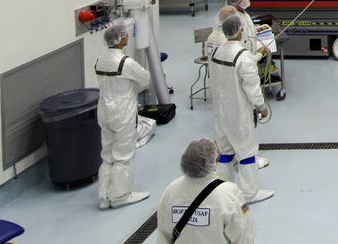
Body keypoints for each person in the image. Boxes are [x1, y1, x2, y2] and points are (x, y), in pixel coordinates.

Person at [207, 15, 273, 205]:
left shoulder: (218, 51)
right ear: (239, 31)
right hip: (240, 112)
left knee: (226, 152)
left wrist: (257, 56)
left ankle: (225, 191)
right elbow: (252, 87)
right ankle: (250, 193)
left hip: (221, 112)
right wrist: (261, 107)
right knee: (246, 152)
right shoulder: (243, 57)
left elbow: (235, 67)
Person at [96, 22, 151, 210]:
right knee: (122, 154)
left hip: (104, 110)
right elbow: (145, 78)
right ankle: (120, 195)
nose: (128, 37)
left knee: (107, 153)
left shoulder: (101, 59)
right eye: (125, 35)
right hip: (122, 112)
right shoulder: (124, 62)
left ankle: (104, 196)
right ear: (120, 39)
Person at [156, 138, 254, 243]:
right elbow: (244, 234)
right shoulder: (229, 193)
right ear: (213, 161)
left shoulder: (171, 190)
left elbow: (163, 234)